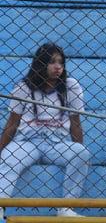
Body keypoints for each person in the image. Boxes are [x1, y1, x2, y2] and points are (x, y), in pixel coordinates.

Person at [0, 43, 89, 218]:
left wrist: (78, 147)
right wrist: (1, 149)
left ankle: (66, 208)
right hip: (27, 143)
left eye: (61, 62)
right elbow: (12, 123)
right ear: (41, 63)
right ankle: (0, 206)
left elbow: (76, 123)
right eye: (52, 62)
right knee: (9, 157)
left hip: (57, 144)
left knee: (82, 153)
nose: (58, 67)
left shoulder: (70, 86)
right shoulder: (24, 87)